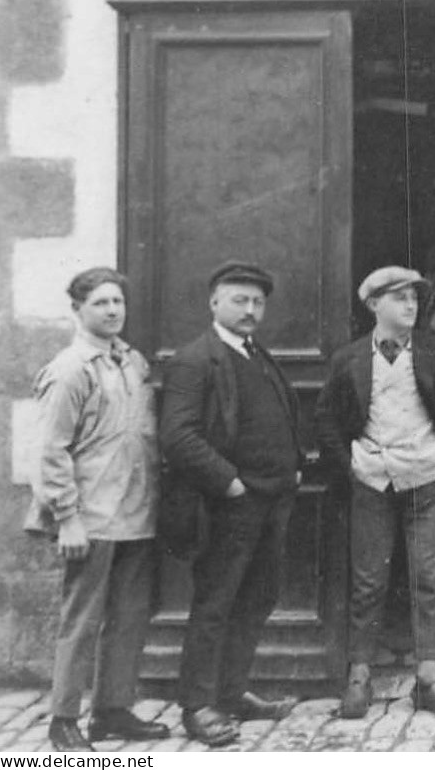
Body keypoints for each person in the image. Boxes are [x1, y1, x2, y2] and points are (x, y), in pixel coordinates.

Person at [315, 266, 435, 720]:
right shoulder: (349, 359)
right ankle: (359, 677)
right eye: (399, 298)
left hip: (427, 480)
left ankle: (428, 678)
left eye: (414, 297)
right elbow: (326, 421)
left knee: (429, 578)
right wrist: (352, 461)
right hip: (372, 480)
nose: (410, 305)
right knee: (368, 580)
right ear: (374, 305)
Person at [158, 261, 309, 747]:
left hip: (271, 500)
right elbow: (178, 436)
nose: (250, 310)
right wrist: (229, 483)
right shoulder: (194, 360)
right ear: (214, 303)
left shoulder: (256, 354)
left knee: (256, 600)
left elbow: (277, 414)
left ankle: (232, 691)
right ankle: (198, 706)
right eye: (239, 300)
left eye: (257, 302)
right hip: (228, 505)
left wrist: (295, 465)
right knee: (216, 605)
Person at [24, 268, 170, 751]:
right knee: (82, 620)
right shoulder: (70, 369)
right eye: (101, 303)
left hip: (135, 511)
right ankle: (64, 719)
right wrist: (67, 517)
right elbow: (50, 451)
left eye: (118, 303)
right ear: (78, 311)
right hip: (89, 518)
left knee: (129, 618)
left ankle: (112, 711)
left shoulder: (132, 363)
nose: (112, 311)